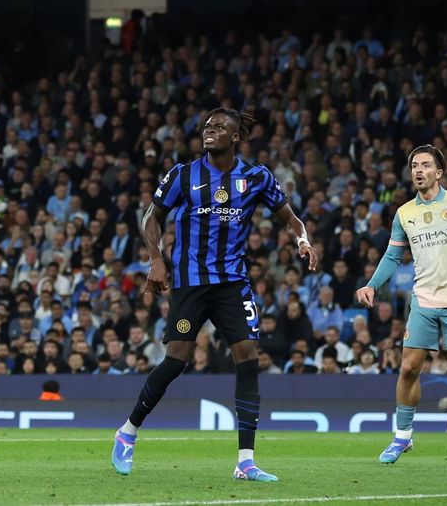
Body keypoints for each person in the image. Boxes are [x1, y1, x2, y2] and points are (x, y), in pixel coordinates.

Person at [111, 109, 318, 482]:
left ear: (236, 136)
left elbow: (290, 217)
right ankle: (127, 432)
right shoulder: (183, 174)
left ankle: (245, 461)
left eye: (220, 127)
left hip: (232, 282)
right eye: (207, 126)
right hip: (191, 281)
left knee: (248, 357)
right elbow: (151, 217)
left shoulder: (256, 176)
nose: (211, 131)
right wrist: (156, 260)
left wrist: (302, 240)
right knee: (176, 360)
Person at [357, 144, 447, 470]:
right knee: (408, 368)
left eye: (425, 165)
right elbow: (393, 256)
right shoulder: (404, 213)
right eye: (414, 166)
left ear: (439, 172)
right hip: (423, 301)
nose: (418, 170)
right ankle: (403, 435)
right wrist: (371, 284)